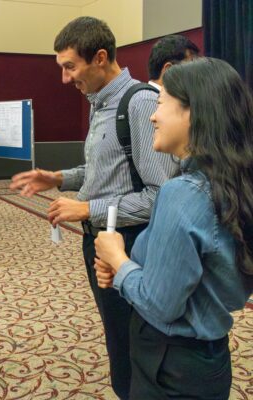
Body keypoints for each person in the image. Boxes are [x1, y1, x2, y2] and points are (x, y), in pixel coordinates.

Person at [10, 16, 176, 399]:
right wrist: (57, 178)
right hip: (103, 242)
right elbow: (105, 169)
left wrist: (87, 210)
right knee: (120, 342)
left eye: (70, 67)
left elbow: (159, 195)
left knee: (138, 349)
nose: (65, 79)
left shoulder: (139, 102)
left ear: (100, 57)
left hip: (133, 245)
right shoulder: (101, 102)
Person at [94, 57, 253, 399]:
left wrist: (118, 259)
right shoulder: (234, 184)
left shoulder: (183, 194)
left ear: (192, 112)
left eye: (161, 102)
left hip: (169, 365)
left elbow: (160, 303)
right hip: (209, 360)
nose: (153, 114)